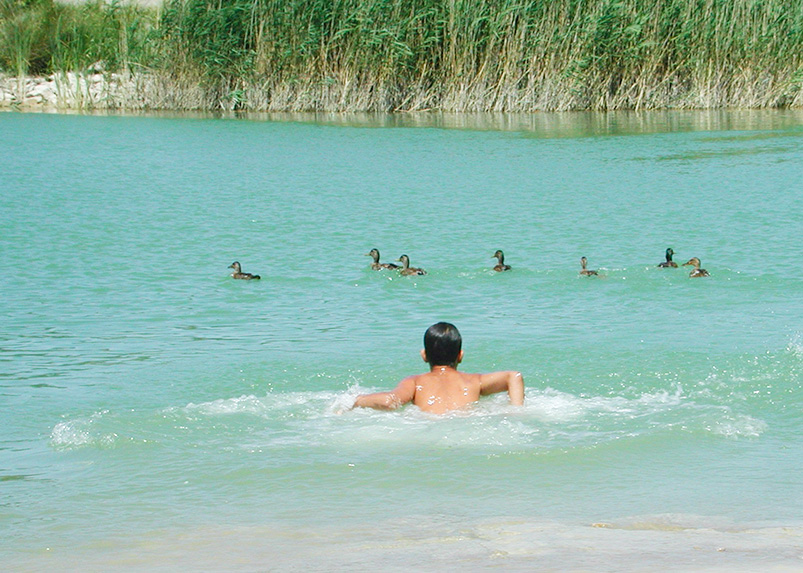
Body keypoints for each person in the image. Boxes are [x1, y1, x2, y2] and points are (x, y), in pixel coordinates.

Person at [352, 322, 524, 414]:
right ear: (460, 355)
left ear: (424, 355)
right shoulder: (474, 381)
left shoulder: (415, 382)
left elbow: (390, 402)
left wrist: (355, 400)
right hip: (467, 423)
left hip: (427, 426)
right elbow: (513, 376)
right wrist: (515, 411)